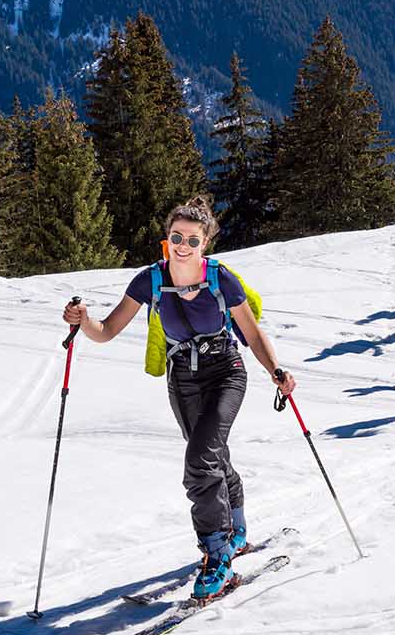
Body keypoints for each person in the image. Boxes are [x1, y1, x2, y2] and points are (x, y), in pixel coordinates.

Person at [62, 196, 297, 603]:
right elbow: (106, 331)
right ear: (166, 241)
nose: (183, 245)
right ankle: (236, 528)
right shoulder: (149, 280)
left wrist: (276, 371)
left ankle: (218, 556)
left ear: (205, 243)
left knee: (199, 459)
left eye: (192, 239)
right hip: (182, 380)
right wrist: (84, 322)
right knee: (213, 456)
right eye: (176, 237)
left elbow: (251, 332)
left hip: (226, 372)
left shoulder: (221, 279)